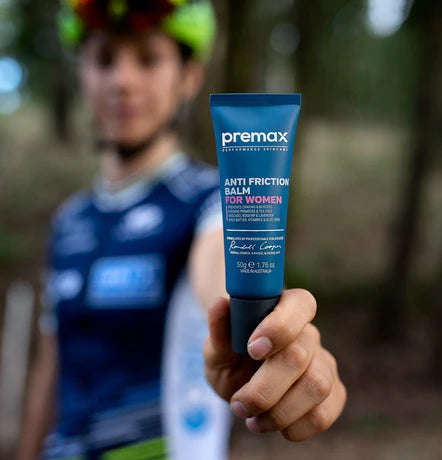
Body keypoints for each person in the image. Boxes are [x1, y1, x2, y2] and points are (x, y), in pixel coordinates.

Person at [16, 1, 347, 459]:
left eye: (148, 59)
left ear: (189, 76)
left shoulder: (212, 200)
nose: (122, 80)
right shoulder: (67, 221)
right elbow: (51, 367)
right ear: (82, 73)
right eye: (104, 59)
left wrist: (285, 342)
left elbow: (221, 277)